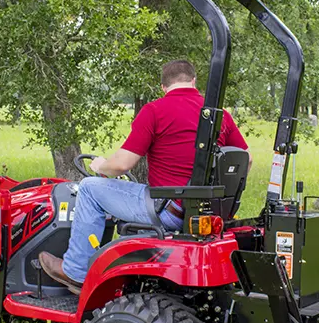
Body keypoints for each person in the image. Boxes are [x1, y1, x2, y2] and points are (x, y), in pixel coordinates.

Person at [38, 60, 250, 293]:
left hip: (169, 210)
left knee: (89, 187)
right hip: (205, 213)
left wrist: (101, 165)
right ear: (193, 81)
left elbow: (121, 165)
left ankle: (76, 271)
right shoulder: (221, 117)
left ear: (163, 87)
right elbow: (245, 159)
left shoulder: (155, 111)